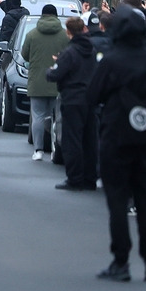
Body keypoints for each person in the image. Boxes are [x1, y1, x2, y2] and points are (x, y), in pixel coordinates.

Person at [87, 8, 146, 283]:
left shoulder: (112, 60)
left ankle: (121, 260)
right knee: (145, 199)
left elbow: (93, 94)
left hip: (116, 133)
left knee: (117, 200)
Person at [46, 16, 97, 190]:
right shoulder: (92, 50)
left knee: (72, 140)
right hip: (91, 98)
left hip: (73, 98)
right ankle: (90, 178)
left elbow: (55, 75)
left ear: (69, 32)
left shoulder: (69, 53)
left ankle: (74, 178)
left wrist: (52, 68)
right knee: (90, 139)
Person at [21, 4, 69, 160]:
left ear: (42, 15)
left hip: (37, 81)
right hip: (60, 82)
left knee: (38, 116)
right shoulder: (64, 35)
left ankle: (38, 150)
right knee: (58, 117)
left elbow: (25, 55)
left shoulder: (32, 34)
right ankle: (56, 147)